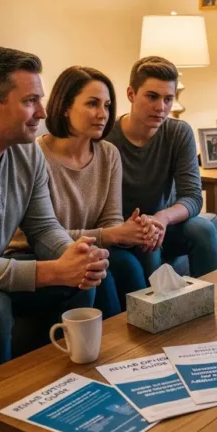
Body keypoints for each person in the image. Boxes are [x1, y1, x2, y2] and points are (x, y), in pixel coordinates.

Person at [0, 47, 109, 384]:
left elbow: (44, 226)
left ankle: (60, 389)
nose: (43, 112)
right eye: (30, 101)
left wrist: (74, 256)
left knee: (80, 279)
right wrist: (52, 271)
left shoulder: (27, 152)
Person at [36, 66, 160, 318]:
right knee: (102, 273)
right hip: (50, 252)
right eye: (92, 103)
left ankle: (148, 335)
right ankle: (113, 349)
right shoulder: (36, 157)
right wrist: (113, 234)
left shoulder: (108, 153)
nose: (103, 114)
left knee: (129, 265)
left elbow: (110, 219)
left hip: (93, 247)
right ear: (64, 107)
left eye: (107, 105)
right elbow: (41, 235)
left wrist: (133, 228)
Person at [106, 56, 217, 278]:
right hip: (123, 228)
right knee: (148, 244)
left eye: (168, 99)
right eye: (152, 96)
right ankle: (154, 311)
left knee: (203, 229)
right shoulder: (107, 137)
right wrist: (142, 227)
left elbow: (193, 197)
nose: (161, 107)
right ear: (131, 94)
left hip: (164, 224)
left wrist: (162, 217)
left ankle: (214, 303)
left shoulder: (178, 132)